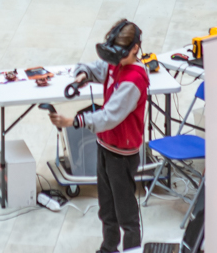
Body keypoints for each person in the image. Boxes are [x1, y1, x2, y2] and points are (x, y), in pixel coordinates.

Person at [48, 20, 149, 253]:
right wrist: (83, 75)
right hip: (105, 147)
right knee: (107, 208)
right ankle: (109, 248)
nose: (115, 59)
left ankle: (131, 250)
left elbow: (109, 116)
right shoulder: (116, 63)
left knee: (126, 214)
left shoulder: (134, 80)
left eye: (120, 53)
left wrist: (73, 121)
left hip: (122, 156)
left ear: (135, 48)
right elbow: (94, 67)